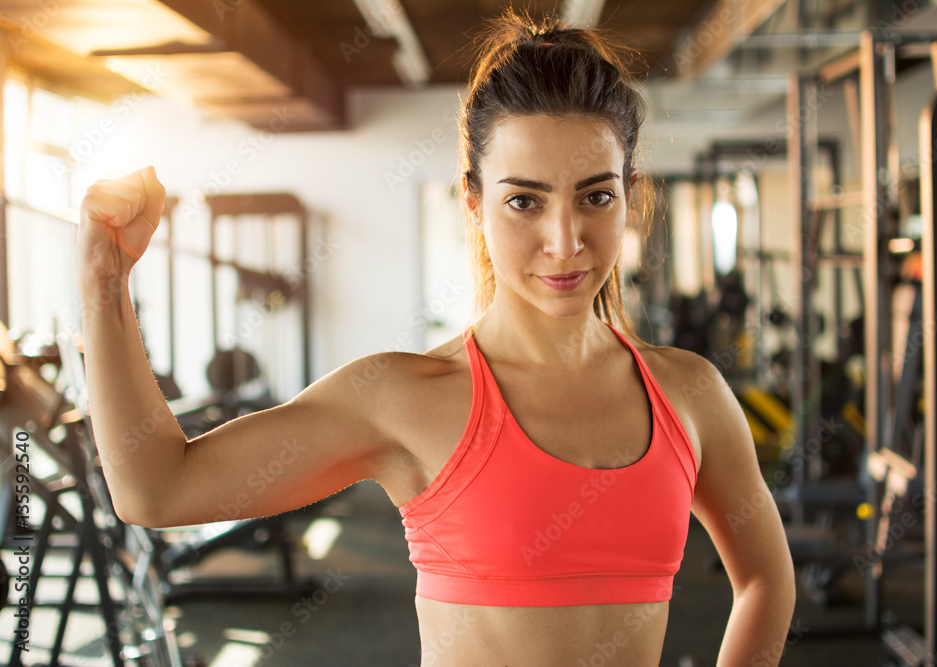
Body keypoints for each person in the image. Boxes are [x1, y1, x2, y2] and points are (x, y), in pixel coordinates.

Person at [76, 9, 795, 666]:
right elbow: (156, 488)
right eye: (524, 200)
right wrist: (104, 276)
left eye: (595, 196)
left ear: (629, 195)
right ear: (474, 202)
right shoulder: (401, 398)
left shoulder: (690, 393)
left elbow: (765, 577)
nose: (565, 239)